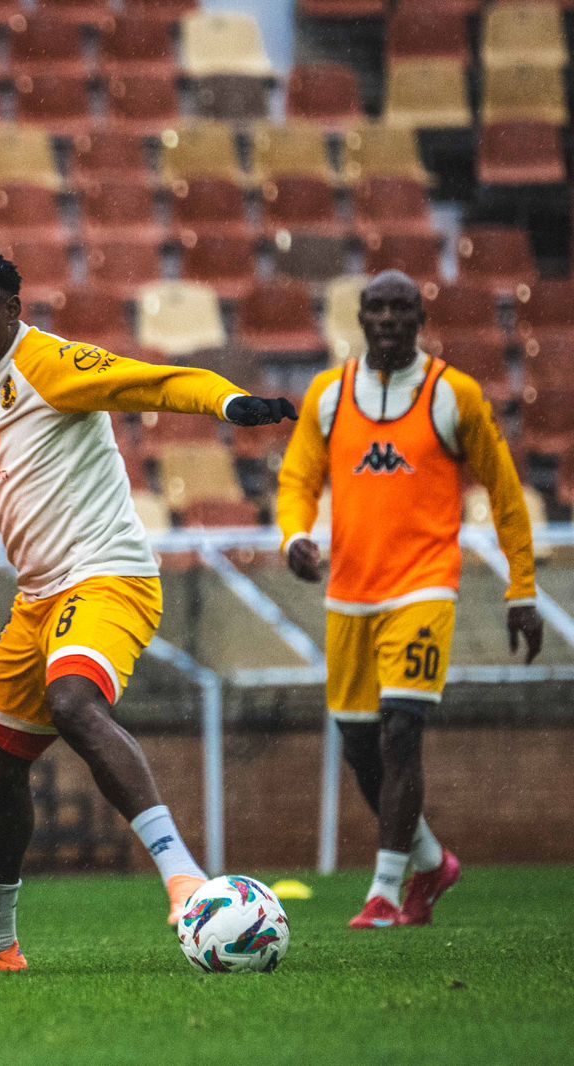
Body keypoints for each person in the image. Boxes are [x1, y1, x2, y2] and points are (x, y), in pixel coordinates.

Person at [0, 248, 298, 975]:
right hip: (36, 600)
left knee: (73, 698)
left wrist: (228, 403)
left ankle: (183, 877)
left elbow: (155, 382)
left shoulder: (54, 365)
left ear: (12, 311)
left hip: (108, 577)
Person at [277, 269, 541, 929]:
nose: (389, 319)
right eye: (377, 308)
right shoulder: (329, 394)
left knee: (402, 731)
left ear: (419, 317)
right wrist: (294, 538)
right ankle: (432, 862)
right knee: (361, 748)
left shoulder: (455, 395)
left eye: (401, 308)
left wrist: (523, 588)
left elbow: (506, 495)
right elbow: (298, 477)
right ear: (360, 318)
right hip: (350, 595)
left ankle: (387, 893)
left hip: (424, 586)